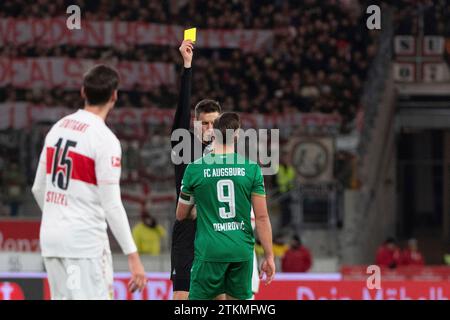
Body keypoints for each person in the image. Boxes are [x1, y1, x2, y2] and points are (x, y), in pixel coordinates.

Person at [31, 64, 146, 300]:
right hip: (84, 243)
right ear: (114, 96)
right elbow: (112, 205)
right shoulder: (105, 139)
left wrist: (59, 216)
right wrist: (132, 255)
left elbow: (38, 187)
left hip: (52, 239)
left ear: (83, 91)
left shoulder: (57, 129)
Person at [176, 112, 275, 300]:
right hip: (241, 249)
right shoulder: (251, 169)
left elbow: (181, 215)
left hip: (209, 250)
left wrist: (202, 208)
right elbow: (262, 218)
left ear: (214, 134)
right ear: (236, 135)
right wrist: (269, 256)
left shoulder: (195, 169)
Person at [170, 39, 221, 300]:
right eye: (205, 123)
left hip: (215, 232)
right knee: (183, 296)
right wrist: (187, 66)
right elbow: (181, 109)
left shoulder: (226, 155)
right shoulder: (184, 143)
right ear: (195, 123)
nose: (210, 128)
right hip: (188, 233)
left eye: (214, 123)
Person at [276, 153, 296, 230]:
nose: (287, 160)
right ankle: (283, 225)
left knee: (289, 209)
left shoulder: (290, 168)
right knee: (283, 210)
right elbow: (278, 180)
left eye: (288, 158)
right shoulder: (279, 168)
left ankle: (287, 225)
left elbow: (293, 179)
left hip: (289, 192)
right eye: (285, 158)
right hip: (281, 192)